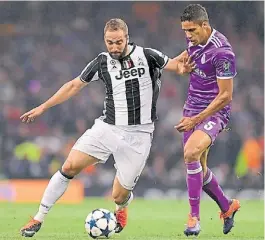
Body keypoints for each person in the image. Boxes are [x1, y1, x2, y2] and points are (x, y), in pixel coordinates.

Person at [19, 18, 194, 237]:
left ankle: (122, 208)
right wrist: (43, 107)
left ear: (127, 39)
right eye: (109, 42)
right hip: (107, 127)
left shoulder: (147, 55)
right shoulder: (101, 62)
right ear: (105, 40)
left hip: (138, 135)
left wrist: (182, 67)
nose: (114, 47)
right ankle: (38, 218)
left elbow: (176, 65)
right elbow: (74, 85)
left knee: (119, 196)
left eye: (118, 42)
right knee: (70, 166)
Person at [174, 4, 241, 237]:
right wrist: (180, 66)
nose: (188, 35)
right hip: (190, 110)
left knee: (191, 153)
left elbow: (226, 96)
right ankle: (227, 206)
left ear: (205, 25)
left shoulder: (223, 52)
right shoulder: (194, 40)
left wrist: (196, 120)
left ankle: (194, 218)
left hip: (213, 113)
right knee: (198, 170)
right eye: (185, 31)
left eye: (191, 30)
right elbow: (184, 58)